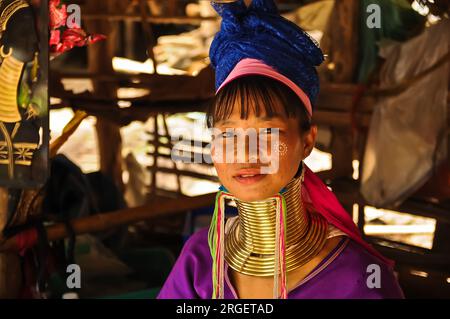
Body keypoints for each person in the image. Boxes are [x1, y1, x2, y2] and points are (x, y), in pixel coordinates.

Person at [158, 0, 404, 299]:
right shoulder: (201, 259)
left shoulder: (357, 277)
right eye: (228, 133)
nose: (245, 153)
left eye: (267, 132)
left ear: (307, 142)